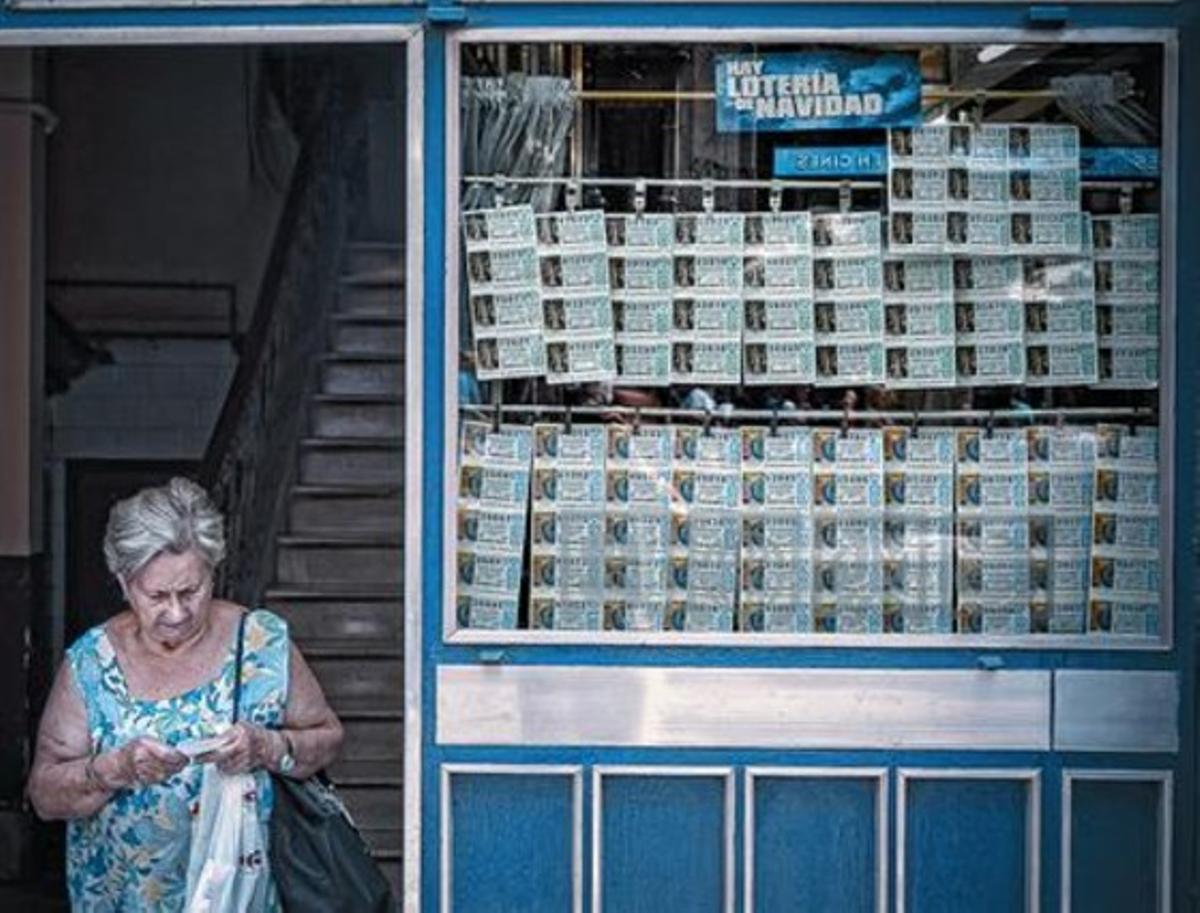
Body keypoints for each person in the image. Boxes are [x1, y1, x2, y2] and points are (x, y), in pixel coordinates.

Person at [27, 478, 344, 911]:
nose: (177, 613)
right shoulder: (91, 663)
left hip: (243, 895)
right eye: (157, 596)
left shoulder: (261, 644)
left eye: (191, 591)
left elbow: (326, 738)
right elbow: (44, 795)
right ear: (123, 581)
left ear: (212, 570)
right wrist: (116, 768)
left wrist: (268, 746)